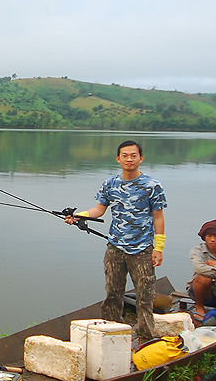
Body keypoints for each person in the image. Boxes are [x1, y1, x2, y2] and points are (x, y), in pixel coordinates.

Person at [66, 140, 166, 340]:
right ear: (118, 159)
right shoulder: (110, 184)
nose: (129, 159)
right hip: (115, 248)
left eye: (133, 155)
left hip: (142, 249)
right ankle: (111, 335)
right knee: (113, 294)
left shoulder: (152, 186)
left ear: (141, 158)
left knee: (145, 296)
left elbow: (158, 217)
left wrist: (159, 248)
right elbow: (98, 210)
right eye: (125, 155)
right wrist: (79, 216)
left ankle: (146, 337)